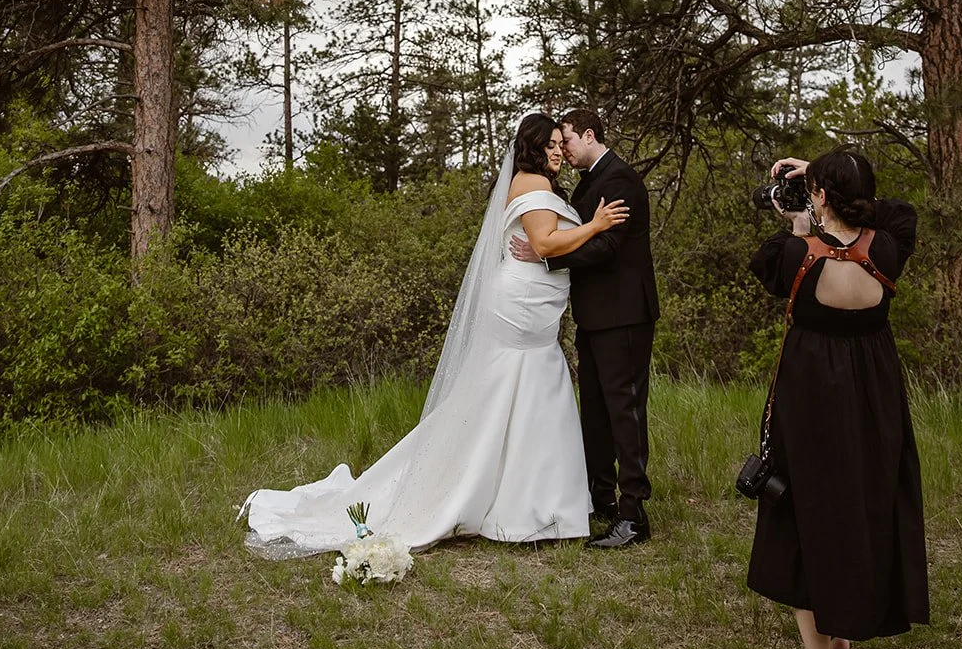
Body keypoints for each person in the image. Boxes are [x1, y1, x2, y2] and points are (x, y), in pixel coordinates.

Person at [239, 112, 628, 556]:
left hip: (534, 305)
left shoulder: (536, 185)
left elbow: (542, 243)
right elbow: (543, 245)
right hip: (522, 308)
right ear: (532, 148)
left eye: (562, 143)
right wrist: (594, 227)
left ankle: (532, 504)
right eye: (551, 144)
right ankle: (529, 508)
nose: (558, 151)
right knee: (525, 389)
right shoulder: (534, 185)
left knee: (521, 394)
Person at [746, 149, 929, 649]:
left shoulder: (796, 253)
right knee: (861, 510)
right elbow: (899, 210)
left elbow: (768, 267)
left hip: (813, 404)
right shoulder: (889, 248)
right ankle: (844, 633)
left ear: (821, 195)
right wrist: (828, 180)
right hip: (876, 403)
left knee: (811, 525)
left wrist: (804, 217)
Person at [511, 107, 659, 548]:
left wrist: (547, 256)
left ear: (588, 135)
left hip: (625, 315)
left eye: (567, 141)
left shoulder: (620, 180)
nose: (563, 150)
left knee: (625, 413)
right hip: (595, 316)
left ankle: (634, 516)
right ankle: (602, 501)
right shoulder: (591, 182)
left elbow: (608, 247)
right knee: (596, 412)